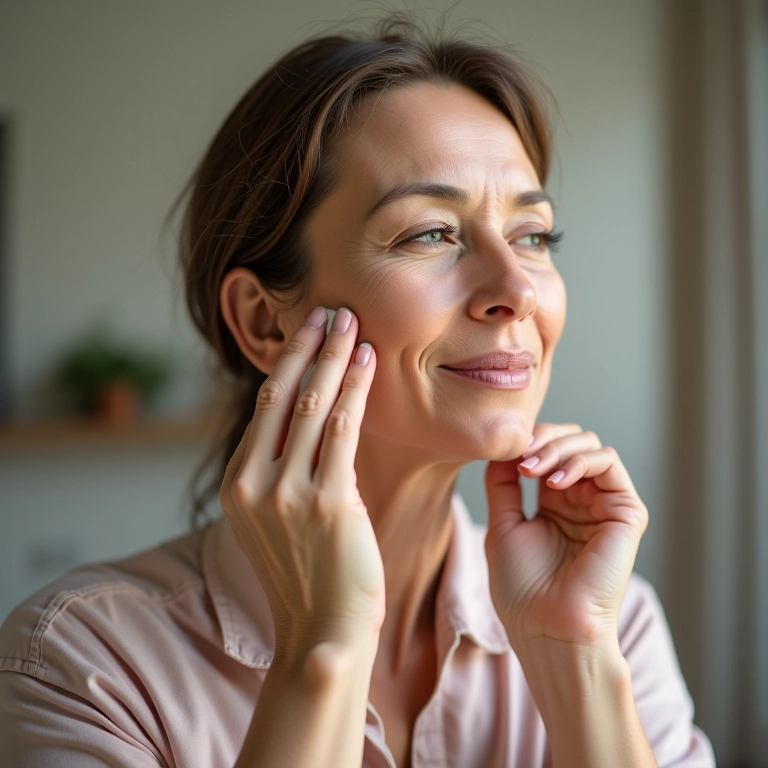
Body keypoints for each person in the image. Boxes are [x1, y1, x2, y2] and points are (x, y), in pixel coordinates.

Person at [0, 12, 716, 768]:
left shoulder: (613, 622)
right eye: (430, 233)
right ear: (264, 322)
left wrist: (574, 659)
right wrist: (322, 649)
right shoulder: (82, 665)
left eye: (533, 236)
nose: (517, 291)